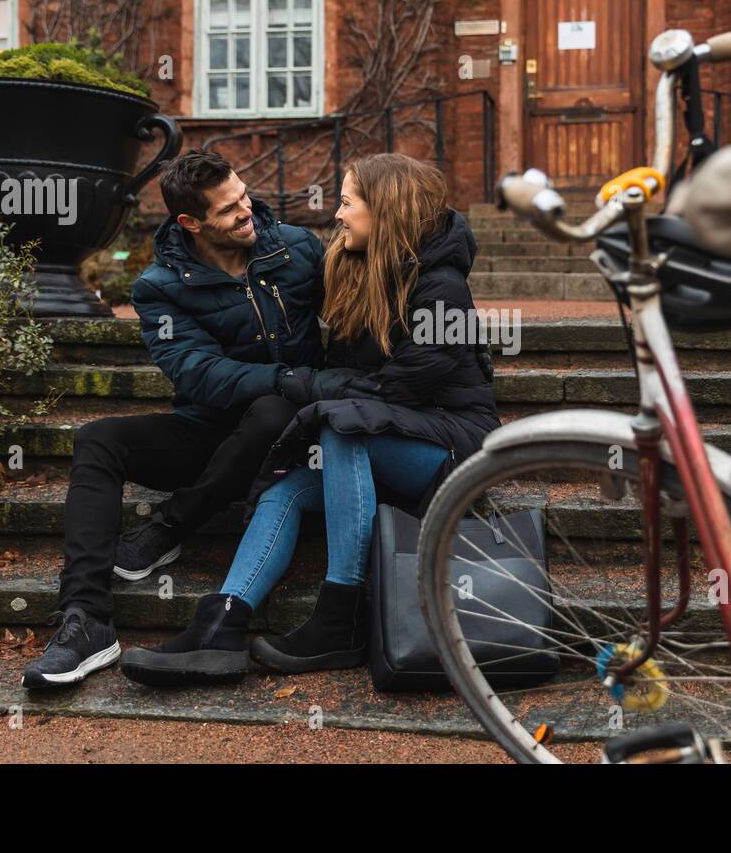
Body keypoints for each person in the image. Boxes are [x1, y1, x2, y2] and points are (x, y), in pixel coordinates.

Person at [120, 152, 499, 686]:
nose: (337, 215)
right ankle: (221, 627)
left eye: (347, 203)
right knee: (288, 491)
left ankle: (340, 612)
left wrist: (306, 394)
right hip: (387, 440)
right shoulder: (359, 269)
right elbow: (353, 378)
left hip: (453, 448)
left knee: (343, 426)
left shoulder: (443, 289)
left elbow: (405, 386)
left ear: (386, 212)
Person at [22, 150, 325, 689]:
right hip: (212, 432)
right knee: (97, 439)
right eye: (229, 210)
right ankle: (85, 619)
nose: (246, 211)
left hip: (295, 436)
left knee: (274, 410)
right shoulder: (160, 286)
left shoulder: (299, 250)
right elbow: (197, 373)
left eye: (244, 196)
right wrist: (285, 377)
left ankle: (169, 524)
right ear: (190, 222)